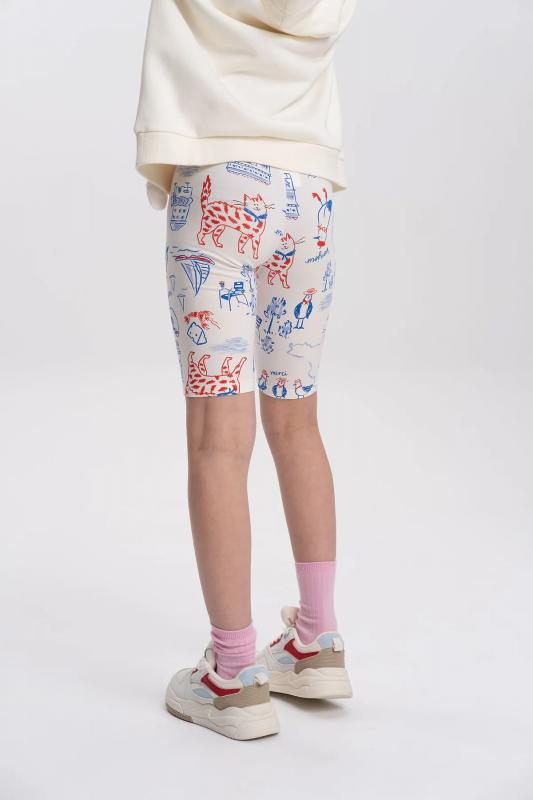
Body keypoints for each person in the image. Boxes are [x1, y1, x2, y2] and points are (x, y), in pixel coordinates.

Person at [134, 0, 356, 740]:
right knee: (297, 422)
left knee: (218, 441)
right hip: (307, 196)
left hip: (218, 183)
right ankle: (316, 639)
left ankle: (231, 674)